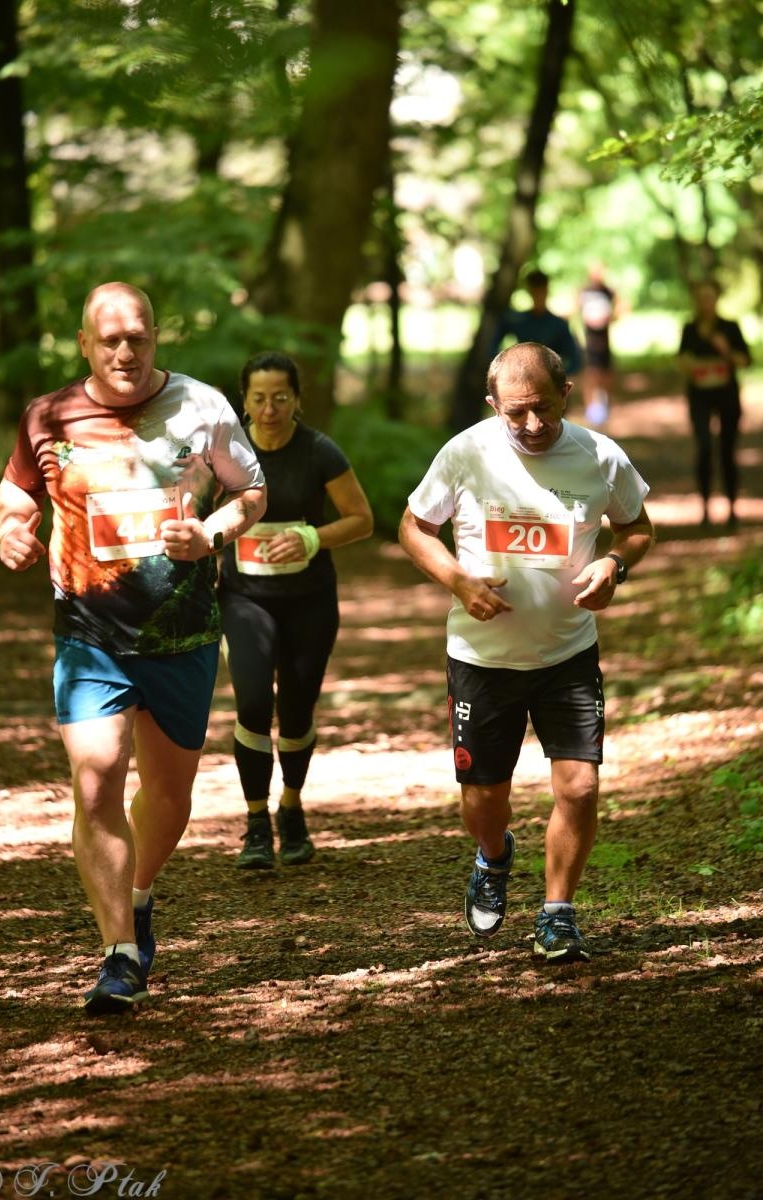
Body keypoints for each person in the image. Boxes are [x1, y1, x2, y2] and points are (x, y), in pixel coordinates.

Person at [0, 282, 267, 1015]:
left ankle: (138, 894)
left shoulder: (203, 407)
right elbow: (17, 494)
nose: (124, 350)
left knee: (170, 794)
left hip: (180, 633)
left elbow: (252, 492)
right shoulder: (49, 416)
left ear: (155, 338)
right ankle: (118, 954)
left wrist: (211, 533)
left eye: (137, 337)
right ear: (84, 343)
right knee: (96, 780)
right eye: (108, 338)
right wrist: (11, 530)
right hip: (88, 634)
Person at [399, 341, 654, 963]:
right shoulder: (465, 453)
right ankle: (493, 855)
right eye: (516, 414)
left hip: (567, 654)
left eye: (542, 408)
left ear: (566, 393)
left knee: (581, 788)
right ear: (493, 406)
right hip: (481, 659)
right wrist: (458, 580)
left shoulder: (600, 456)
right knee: (485, 799)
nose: (532, 425)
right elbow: (413, 527)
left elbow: (638, 526)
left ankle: (558, 913)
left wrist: (615, 565)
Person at [219, 352, 373, 869]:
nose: (269, 409)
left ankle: (291, 806)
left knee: (298, 711)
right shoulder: (225, 451)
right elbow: (192, 512)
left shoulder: (318, 451)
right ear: (244, 400)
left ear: (297, 400)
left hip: (309, 600)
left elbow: (361, 520)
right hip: (244, 598)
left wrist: (312, 536)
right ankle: (256, 822)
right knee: (254, 703)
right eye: (259, 398)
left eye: (280, 398)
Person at [678, 279, 751, 529]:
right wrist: (689, 366)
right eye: (701, 297)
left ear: (717, 299)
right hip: (699, 395)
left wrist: (726, 351)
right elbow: (681, 360)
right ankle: (706, 509)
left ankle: (732, 510)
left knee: (728, 451)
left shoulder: (730, 327)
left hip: (727, 395)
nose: (705, 303)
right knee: (705, 448)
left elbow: (745, 360)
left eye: (710, 297)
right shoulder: (689, 328)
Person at [491, 269, 582, 377]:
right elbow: (493, 345)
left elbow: (574, 359)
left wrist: (557, 377)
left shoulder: (558, 325)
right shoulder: (519, 321)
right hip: (522, 376)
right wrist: (506, 366)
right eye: (535, 291)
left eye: (541, 291)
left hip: (548, 379)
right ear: (530, 292)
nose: (538, 296)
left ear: (546, 291)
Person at [578, 263, 617, 427]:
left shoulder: (608, 291)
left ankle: (606, 409)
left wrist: (608, 318)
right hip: (589, 342)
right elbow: (576, 309)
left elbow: (620, 309)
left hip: (605, 341)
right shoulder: (584, 291)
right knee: (590, 375)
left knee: (606, 376)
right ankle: (590, 410)